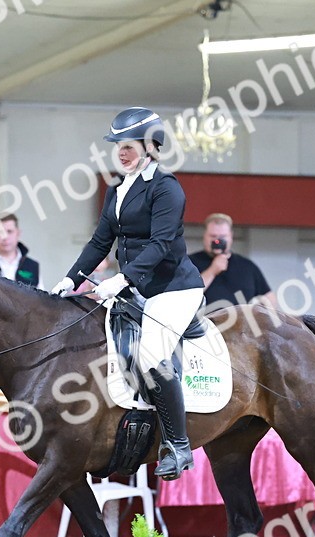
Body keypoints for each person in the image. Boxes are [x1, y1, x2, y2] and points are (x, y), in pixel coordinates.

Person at [50, 107, 203, 480]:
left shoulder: (167, 189)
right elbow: (100, 241)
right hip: (137, 288)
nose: (121, 151)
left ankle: (178, 446)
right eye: (118, 145)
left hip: (173, 289)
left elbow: (161, 243)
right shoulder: (117, 190)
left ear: (151, 147)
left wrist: (123, 279)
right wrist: (72, 280)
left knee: (151, 355)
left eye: (129, 145)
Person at [190, 213, 275, 307]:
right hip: (205, 320)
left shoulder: (247, 266)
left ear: (231, 236)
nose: (217, 241)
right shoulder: (189, 263)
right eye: (213, 236)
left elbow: (269, 298)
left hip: (241, 320)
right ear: (205, 236)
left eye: (222, 237)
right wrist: (212, 271)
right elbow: (186, 296)